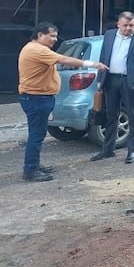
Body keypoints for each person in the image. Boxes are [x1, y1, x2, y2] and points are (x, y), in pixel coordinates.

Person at [17, 22, 108, 182]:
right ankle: (30, 170)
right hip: (36, 98)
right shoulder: (37, 50)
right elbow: (63, 59)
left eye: (55, 35)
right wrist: (92, 64)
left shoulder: (36, 49)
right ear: (39, 35)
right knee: (36, 135)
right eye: (51, 35)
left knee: (37, 134)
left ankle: (34, 165)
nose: (55, 39)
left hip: (37, 97)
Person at [90, 11, 134, 165]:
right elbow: (103, 57)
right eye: (125, 25)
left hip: (130, 81)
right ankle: (107, 150)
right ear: (118, 24)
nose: (128, 28)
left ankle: (132, 151)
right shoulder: (109, 35)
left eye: (131, 25)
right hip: (110, 80)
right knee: (111, 116)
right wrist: (100, 79)